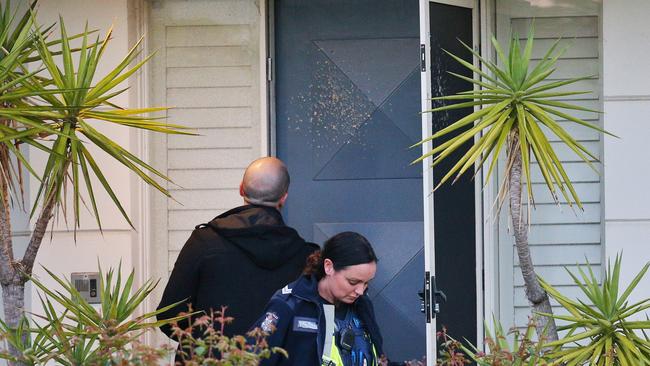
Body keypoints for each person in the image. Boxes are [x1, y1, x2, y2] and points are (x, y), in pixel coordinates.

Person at [156, 157, 318, 346]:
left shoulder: (203, 242)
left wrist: (206, 348)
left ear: (241, 188)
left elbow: (169, 315)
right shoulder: (306, 255)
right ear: (284, 196)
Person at [252, 231, 387, 366]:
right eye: (353, 282)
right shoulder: (289, 304)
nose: (360, 291)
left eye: (366, 283)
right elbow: (250, 359)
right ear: (329, 267)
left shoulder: (362, 304)